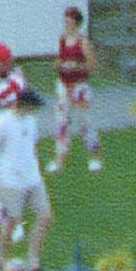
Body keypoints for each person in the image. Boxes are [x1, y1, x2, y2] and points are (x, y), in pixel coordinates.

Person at [0, 86, 49, 271]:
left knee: (45, 216)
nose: (34, 109)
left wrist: (37, 167)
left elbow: (32, 146)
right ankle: (3, 258)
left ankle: (33, 258)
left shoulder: (31, 121)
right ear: (22, 104)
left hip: (33, 178)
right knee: (12, 221)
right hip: (10, 180)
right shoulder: (3, 122)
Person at [49, 13, 96, 177]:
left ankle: (93, 156)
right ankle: (59, 159)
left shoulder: (83, 42)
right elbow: (59, 60)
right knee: (62, 122)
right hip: (64, 85)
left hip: (79, 87)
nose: (67, 24)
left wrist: (76, 67)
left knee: (84, 121)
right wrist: (59, 65)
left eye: (70, 22)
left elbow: (91, 65)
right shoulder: (62, 40)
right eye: (66, 21)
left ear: (77, 23)